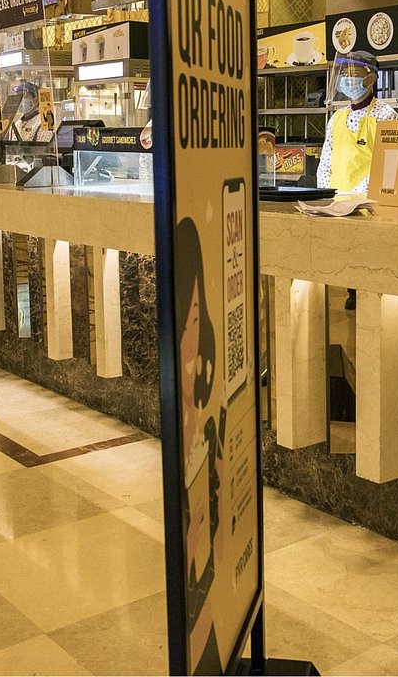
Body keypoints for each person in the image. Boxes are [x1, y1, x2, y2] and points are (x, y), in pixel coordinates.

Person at [175, 217, 224, 675]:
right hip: (199, 621)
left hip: (212, 619)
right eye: (184, 323)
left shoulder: (208, 425)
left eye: (196, 318)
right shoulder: (189, 423)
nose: (191, 340)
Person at [316, 51, 398, 195]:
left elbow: (385, 166)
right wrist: (328, 194)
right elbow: (325, 164)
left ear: (371, 78)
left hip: (367, 202)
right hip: (335, 202)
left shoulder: (386, 116)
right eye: (344, 74)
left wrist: (352, 197)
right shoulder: (336, 118)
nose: (347, 79)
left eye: (354, 74)